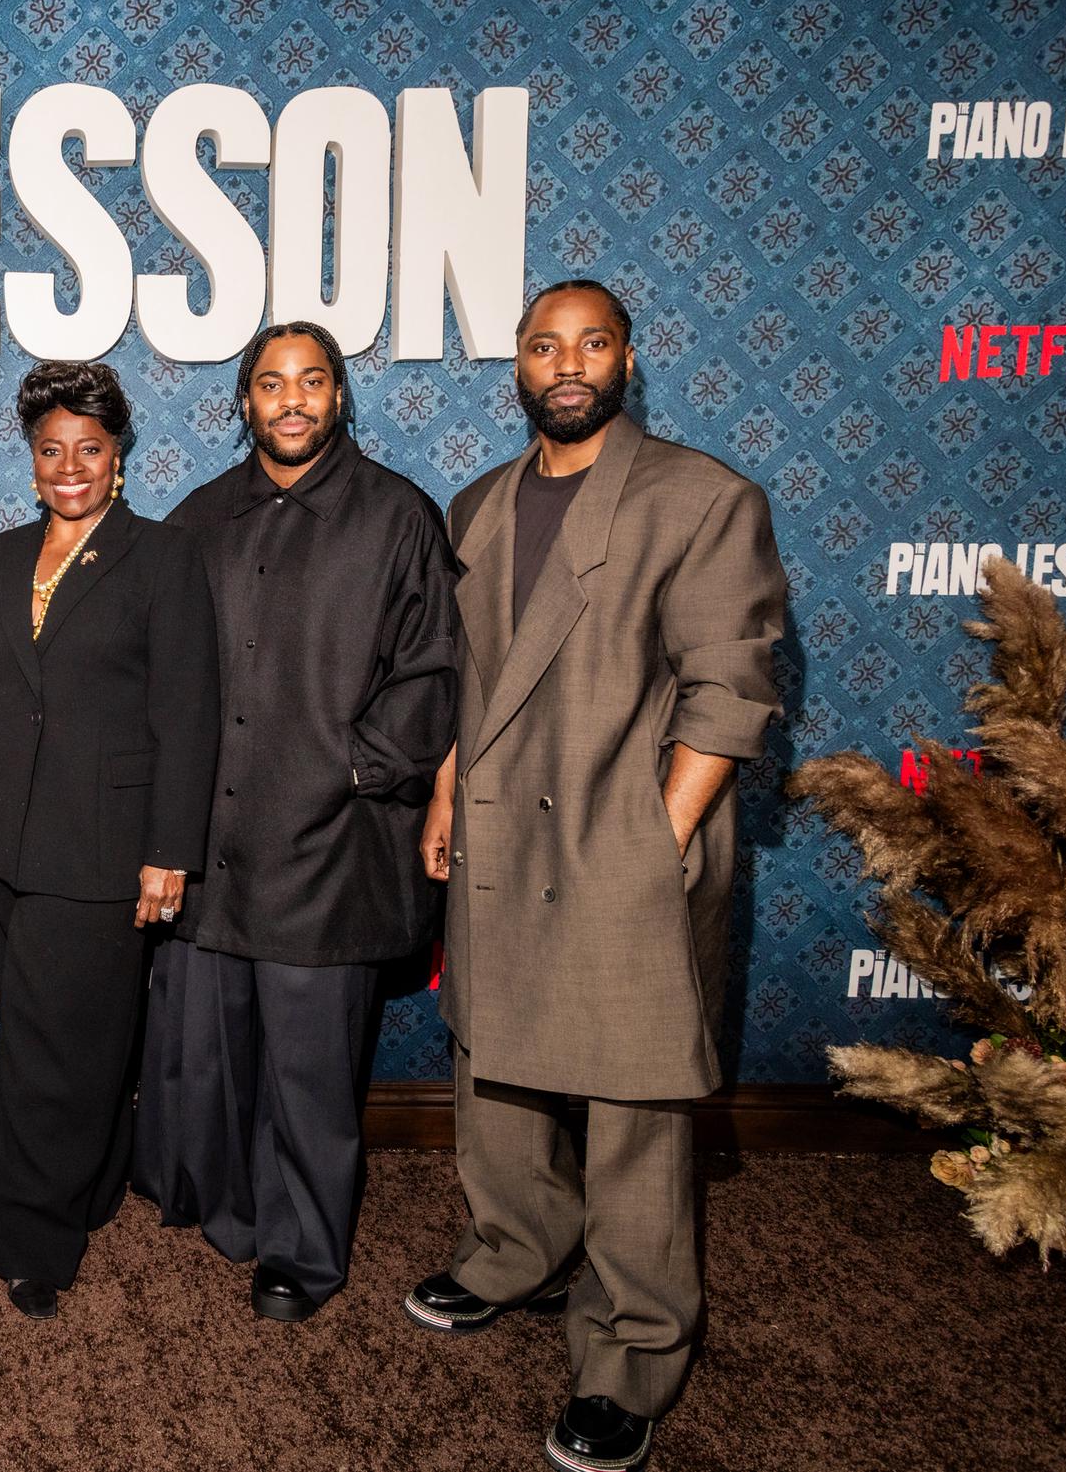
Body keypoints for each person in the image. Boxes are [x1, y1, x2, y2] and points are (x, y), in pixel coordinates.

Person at [406, 280, 787, 1472]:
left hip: (620, 833)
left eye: (590, 343)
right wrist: (439, 794)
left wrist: (662, 834)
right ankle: (514, 1248)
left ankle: (632, 1346)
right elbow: (472, 678)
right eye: (542, 345)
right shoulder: (477, 504)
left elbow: (730, 687)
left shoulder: (700, 496)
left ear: (628, 356)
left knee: (631, 1105)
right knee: (496, 1063)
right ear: (516, 366)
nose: (565, 364)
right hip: (496, 832)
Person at [133, 319, 460, 1324]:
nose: (291, 399)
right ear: (243, 402)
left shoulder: (398, 515)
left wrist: (346, 769)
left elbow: (432, 675)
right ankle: (231, 1210)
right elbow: (155, 674)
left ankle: (303, 1251)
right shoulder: (196, 519)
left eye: (311, 381)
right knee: (213, 1047)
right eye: (270, 383)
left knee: (311, 1071)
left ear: (338, 398)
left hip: (332, 846)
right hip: (215, 851)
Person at [0, 361, 218, 1322]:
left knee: (65, 1050)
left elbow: (188, 713)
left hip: (103, 847)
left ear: (118, 454)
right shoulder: (3, 556)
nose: (71, 467)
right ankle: (84, 1188)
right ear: (32, 459)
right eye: (53, 450)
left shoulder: (162, 557)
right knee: (54, 1039)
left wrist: (169, 849)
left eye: (90, 448)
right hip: (6, 841)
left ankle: (30, 1235)